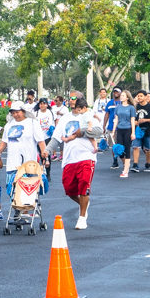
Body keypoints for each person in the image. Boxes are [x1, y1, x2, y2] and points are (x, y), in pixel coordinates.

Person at [0, 100, 48, 223]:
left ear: (23, 111)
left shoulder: (32, 123)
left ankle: (25, 212)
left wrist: (45, 154)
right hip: (13, 161)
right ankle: (18, 209)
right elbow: (4, 142)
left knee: (28, 186)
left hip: (29, 162)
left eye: (18, 112)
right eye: (13, 112)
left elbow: (40, 141)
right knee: (11, 186)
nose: (16, 115)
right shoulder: (9, 125)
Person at [50, 96, 100, 228]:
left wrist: (82, 132)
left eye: (75, 98)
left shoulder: (88, 115)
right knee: (70, 190)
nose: (72, 100)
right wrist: (47, 150)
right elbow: (56, 137)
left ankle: (82, 218)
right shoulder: (65, 119)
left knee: (84, 185)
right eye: (70, 99)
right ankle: (84, 203)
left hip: (86, 156)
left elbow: (99, 131)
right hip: (69, 158)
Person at [113, 90, 136, 177]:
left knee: (127, 149)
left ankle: (125, 170)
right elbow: (116, 119)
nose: (121, 97)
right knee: (119, 150)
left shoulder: (131, 108)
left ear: (127, 97)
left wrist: (133, 133)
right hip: (119, 129)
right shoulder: (118, 107)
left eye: (123, 95)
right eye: (121, 95)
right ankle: (126, 164)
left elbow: (132, 120)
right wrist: (113, 131)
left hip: (128, 130)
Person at [133, 91, 150, 170]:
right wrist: (135, 122)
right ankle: (135, 164)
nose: (139, 97)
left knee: (147, 148)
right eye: (138, 96)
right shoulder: (136, 107)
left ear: (146, 97)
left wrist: (145, 120)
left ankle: (148, 163)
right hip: (138, 129)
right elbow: (133, 118)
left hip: (148, 129)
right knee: (136, 146)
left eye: (141, 96)